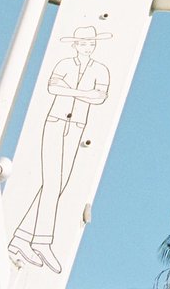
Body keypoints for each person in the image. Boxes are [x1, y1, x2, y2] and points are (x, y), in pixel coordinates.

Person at [8, 24, 111, 274]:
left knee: (58, 183)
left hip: (76, 126)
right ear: (75, 44)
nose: (88, 47)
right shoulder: (64, 63)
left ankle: (20, 239)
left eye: (91, 43)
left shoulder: (100, 69)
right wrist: (82, 92)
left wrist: (73, 92)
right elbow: (53, 87)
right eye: (83, 43)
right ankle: (41, 240)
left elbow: (100, 96)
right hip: (55, 121)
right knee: (52, 181)